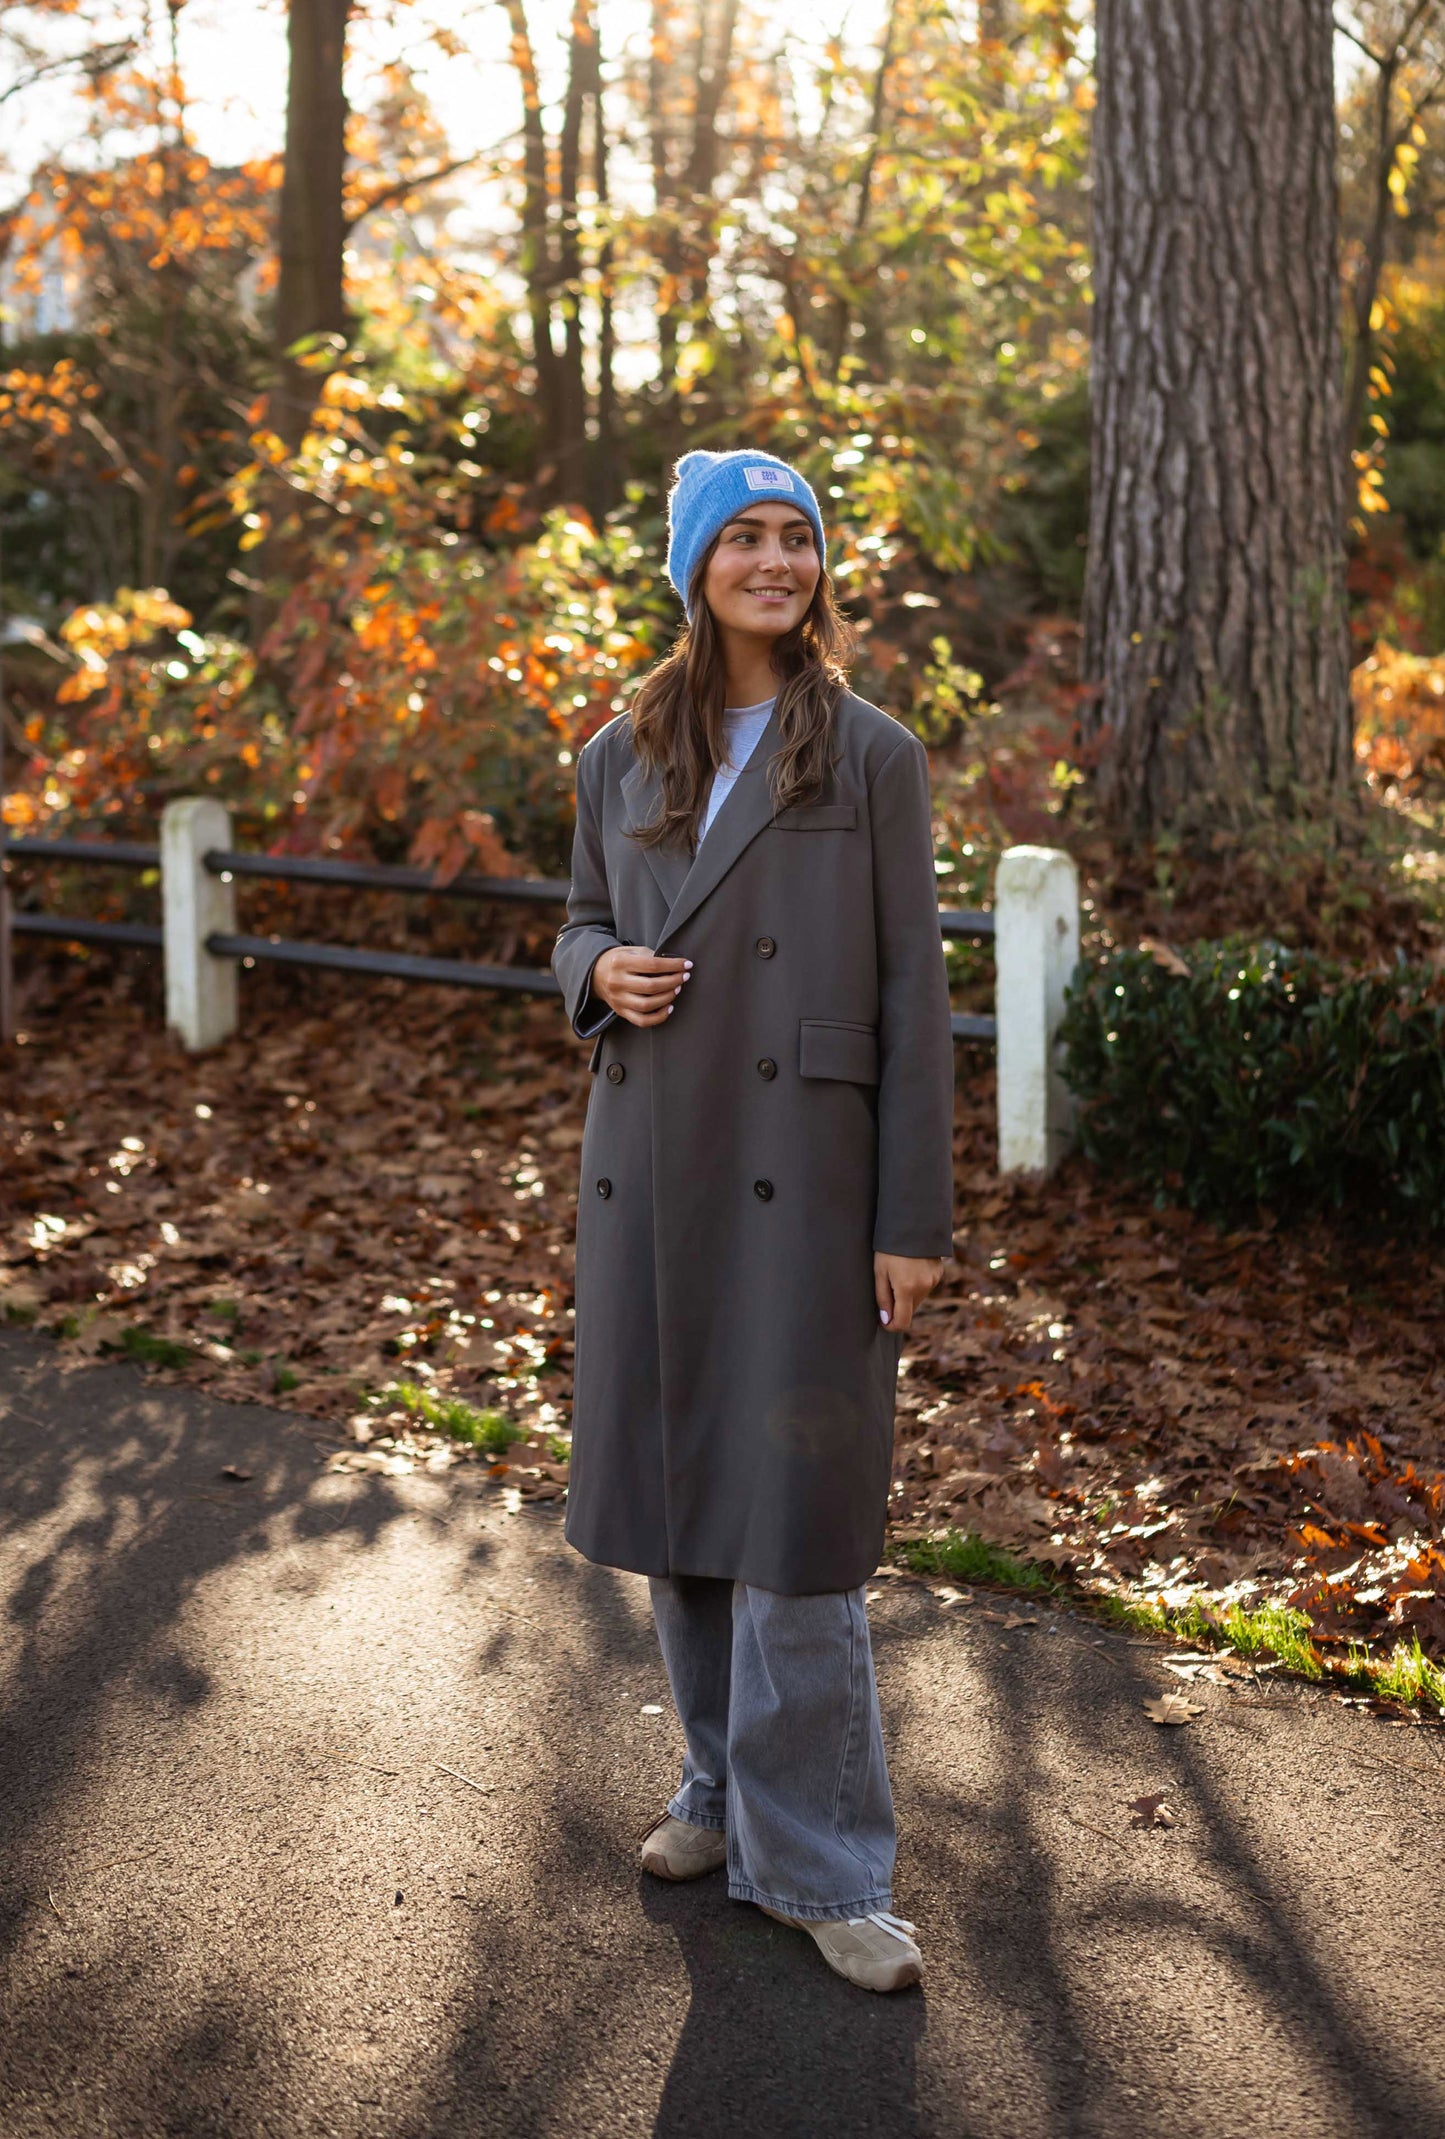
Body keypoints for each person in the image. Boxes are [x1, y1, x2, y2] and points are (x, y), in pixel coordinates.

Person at [551, 448, 955, 1994]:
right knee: (682, 1498)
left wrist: (909, 1215)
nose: (775, 561)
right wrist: (595, 971)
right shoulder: (618, 751)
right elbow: (581, 916)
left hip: (810, 1177)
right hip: (654, 1161)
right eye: (744, 538)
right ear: (695, 569)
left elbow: (913, 994)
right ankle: (718, 1793)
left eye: (797, 537)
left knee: (794, 1521)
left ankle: (824, 1869)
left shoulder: (869, 753)